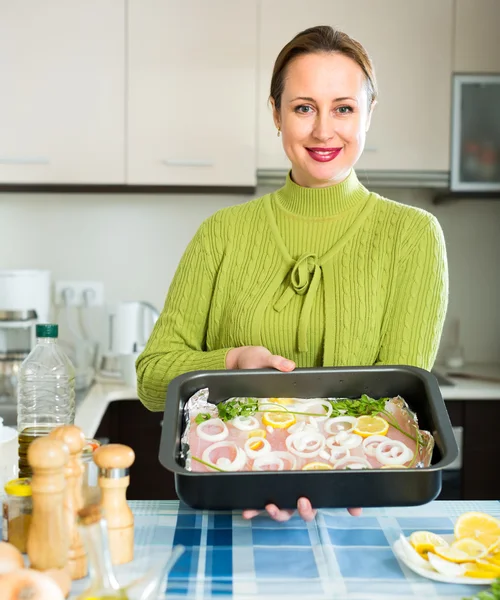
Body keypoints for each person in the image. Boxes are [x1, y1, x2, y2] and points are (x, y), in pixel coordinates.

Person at [136, 25, 448, 522]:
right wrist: (232, 362)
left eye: (343, 107)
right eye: (304, 107)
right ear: (276, 114)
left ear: (369, 114)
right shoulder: (222, 233)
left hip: (358, 511)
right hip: (227, 508)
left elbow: (398, 404)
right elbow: (153, 380)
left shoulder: (413, 236)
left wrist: (305, 467)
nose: (324, 131)